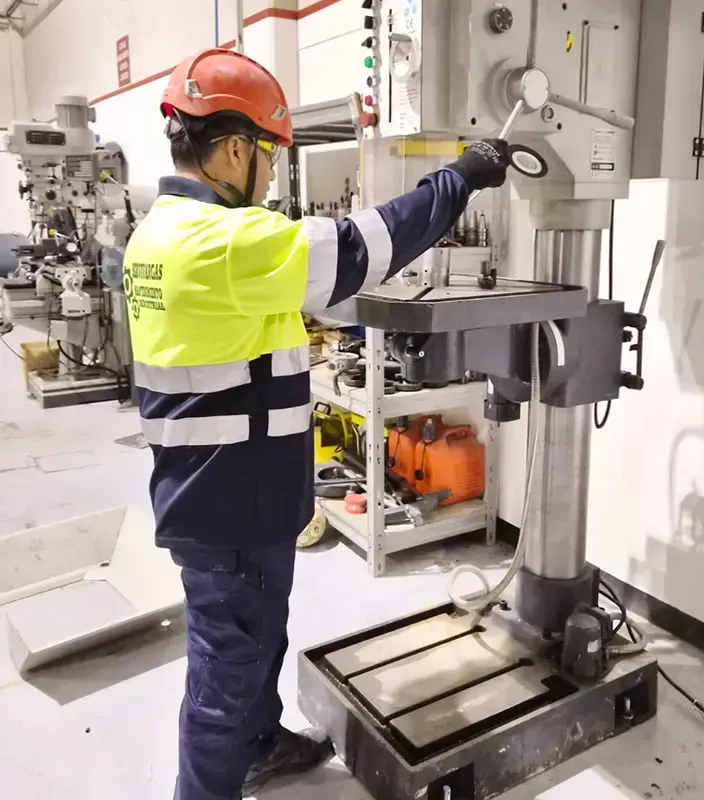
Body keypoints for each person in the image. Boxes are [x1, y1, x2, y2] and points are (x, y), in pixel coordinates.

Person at [123, 47, 511, 800]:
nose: (270, 173)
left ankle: (259, 743)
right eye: (268, 154)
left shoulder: (159, 233)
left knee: (258, 638)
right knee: (223, 675)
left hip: (230, 496)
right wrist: (457, 179)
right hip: (229, 505)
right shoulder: (221, 242)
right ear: (234, 148)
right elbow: (360, 249)